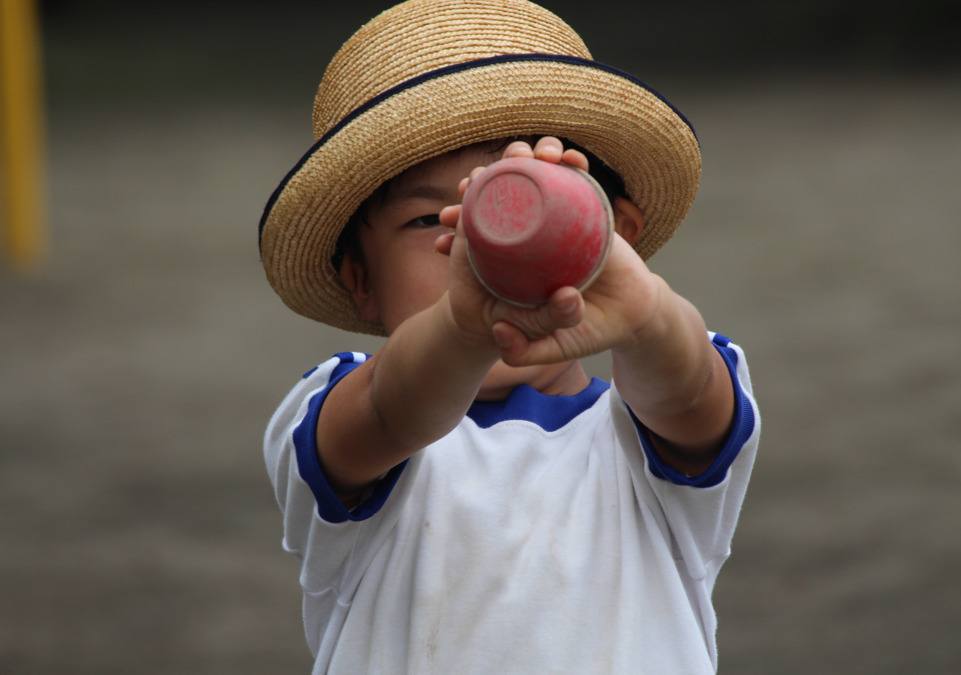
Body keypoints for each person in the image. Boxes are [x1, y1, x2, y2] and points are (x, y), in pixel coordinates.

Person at [258, 0, 760, 672]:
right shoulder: (341, 407)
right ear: (360, 279)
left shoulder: (642, 433)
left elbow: (692, 392)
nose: (480, 246)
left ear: (619, 236)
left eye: (531, 205)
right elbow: (386, 410)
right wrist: (465, 328)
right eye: (428, 220)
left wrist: (645, 313)